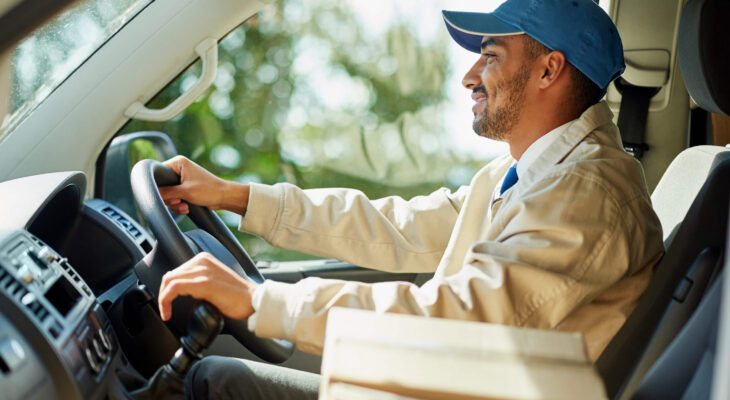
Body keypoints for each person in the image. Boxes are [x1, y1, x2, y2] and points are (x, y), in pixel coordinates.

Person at [156, 0, 664, 398]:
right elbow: (397, 225)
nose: (469, 76)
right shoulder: (524, 174)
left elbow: (458, 322)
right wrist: (236, 196)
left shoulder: (586, 195)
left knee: (214, 383)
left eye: (490, 56)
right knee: (220, 378)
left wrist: (259, 300)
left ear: (549, 70)